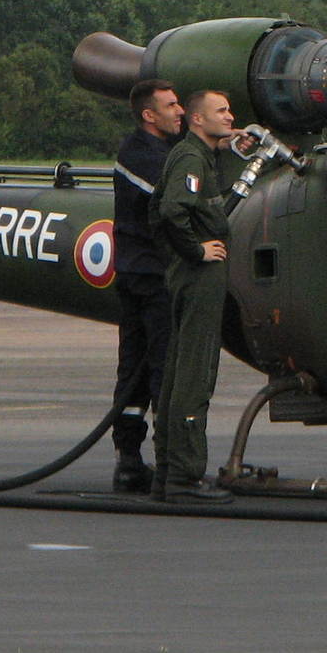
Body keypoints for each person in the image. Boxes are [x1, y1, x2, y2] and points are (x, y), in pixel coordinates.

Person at [147, 88, 246, 503]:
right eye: (221, 111)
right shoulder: (190, 158)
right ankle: (185, 476)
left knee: (179, 369)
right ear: (197, 120)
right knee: (195, 370)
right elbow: (173, 210)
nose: (230, 116)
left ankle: (169, 471)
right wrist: (195, 249)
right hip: (199, 273)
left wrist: (234, 146)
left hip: (188, 273)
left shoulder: (199, 156)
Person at [108, 80, 183, 493]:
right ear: (148, 115)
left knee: (137, 368)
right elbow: (175, 206)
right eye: (171, 106)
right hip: (150, 276)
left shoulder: (166, 150)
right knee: (159, 367)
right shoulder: (141, 156)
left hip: (142, 272)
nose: (180, 112)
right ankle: (165, 461)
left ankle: (132, 459)